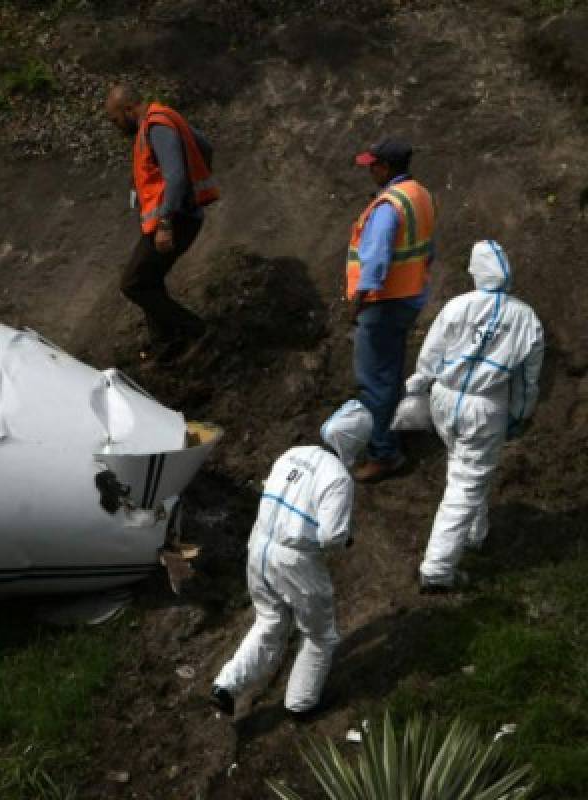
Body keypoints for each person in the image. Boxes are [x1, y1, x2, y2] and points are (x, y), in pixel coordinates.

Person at [210, 400, 373, 718]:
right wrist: (344, 538)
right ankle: (301, 703)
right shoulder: (338, 478)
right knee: (319, 634)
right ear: (355, 443)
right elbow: (331, 537)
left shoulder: (292, 453)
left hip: (258, 547)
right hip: (294, 560)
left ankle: (226, 686)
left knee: (269, 621)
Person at [406, 240, 544, 592]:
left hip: (444, 398)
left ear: (476, 273)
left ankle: (473, 535)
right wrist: (521, 414)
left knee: (462, 462)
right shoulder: (526, 318)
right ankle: (437, 572)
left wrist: (418, 386)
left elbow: (430, 354)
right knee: (466, 484)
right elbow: (528, 380)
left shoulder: (457, 307)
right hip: (485, 406)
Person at [104, 85, 219, 365]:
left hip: (176, 220)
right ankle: (167, 341)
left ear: (128, 110)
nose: (116, 127)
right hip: (179, 216)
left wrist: (166, 221)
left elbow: (176, 176)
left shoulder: (157, 127)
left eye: (115, 119)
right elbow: (204, 146)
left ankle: (198, 332)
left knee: (133, 284)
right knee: (148, 279)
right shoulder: (161, 121)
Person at [346, 138, 435, 482]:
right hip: (409, 297)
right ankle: (394, 429)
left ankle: (384, 453)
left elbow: (375, 264)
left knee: (373, 381)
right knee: (390, 371)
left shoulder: (388, 206)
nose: (369, 171)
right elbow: (428, 249)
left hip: (381, 304)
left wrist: (356, 306)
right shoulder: (420, 195)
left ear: (384, 167)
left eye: (372, 165)